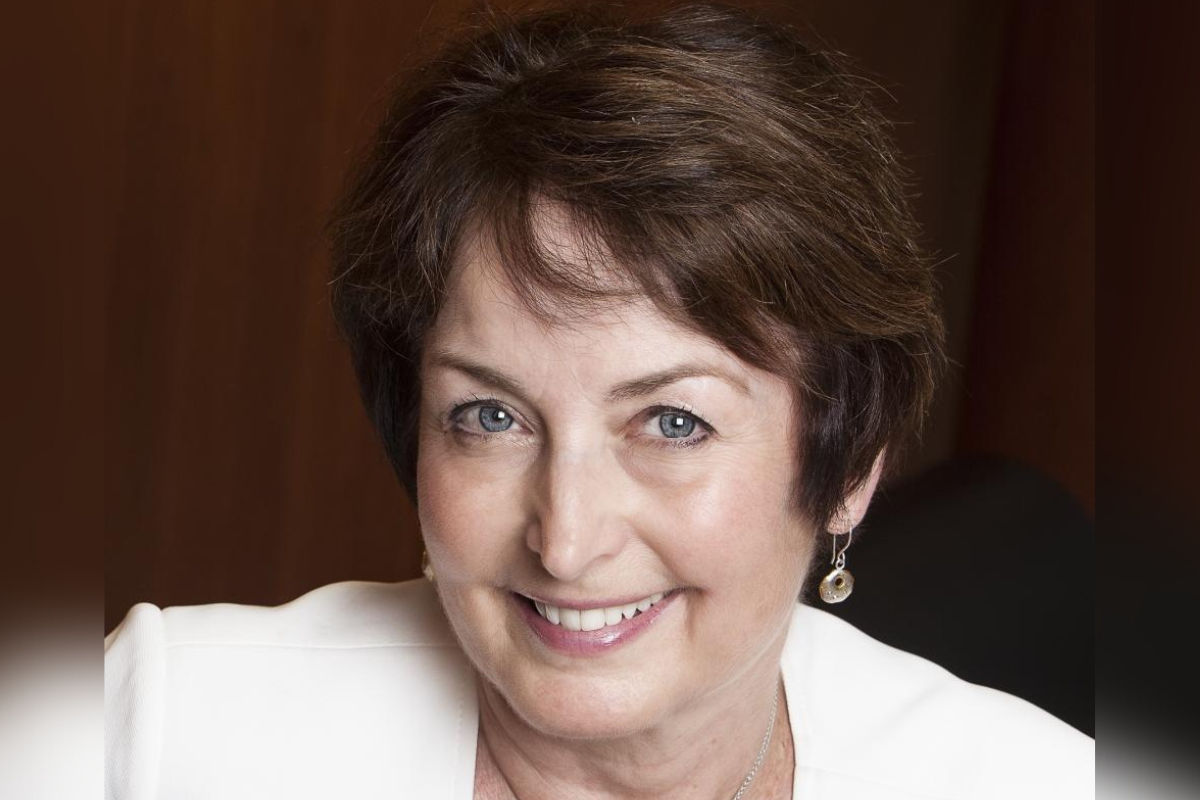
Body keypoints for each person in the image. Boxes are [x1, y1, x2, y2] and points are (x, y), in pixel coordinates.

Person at [104, 3, 1094, 798]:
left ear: (849, 464)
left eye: (673, 422)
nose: (566, 542)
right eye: (491, 416)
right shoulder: (163, 736)